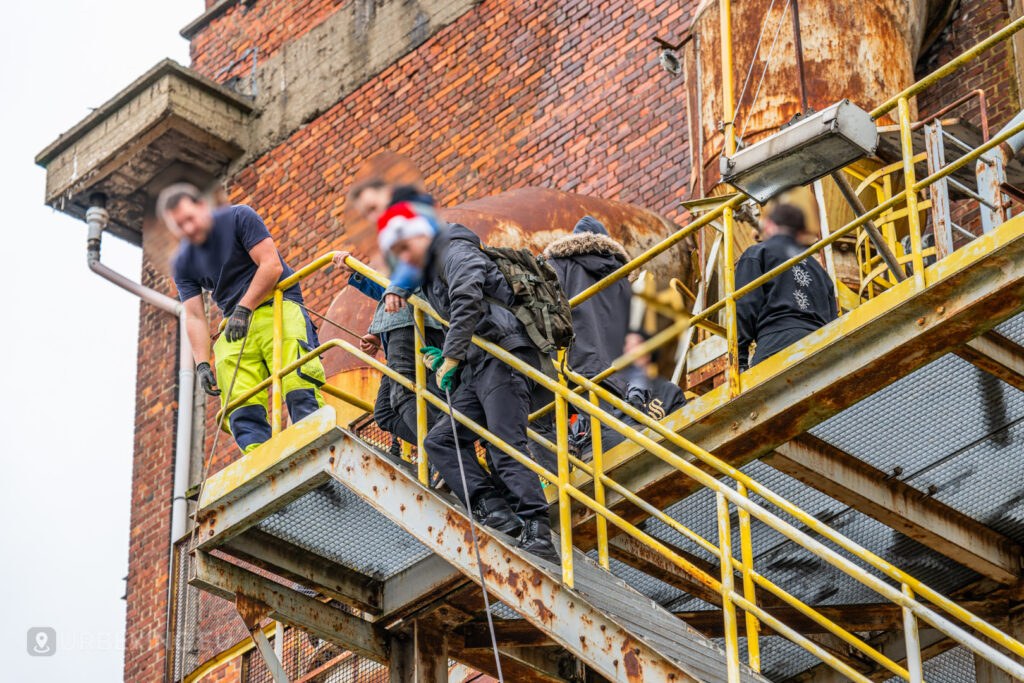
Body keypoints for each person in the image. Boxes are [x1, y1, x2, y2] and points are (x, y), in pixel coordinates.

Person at [379, 198, 559, 562]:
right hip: (480, 366)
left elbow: (469, 296)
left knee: (505, 444)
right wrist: (452, 360)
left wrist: (451, 355)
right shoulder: (429, 273)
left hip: (503, 357)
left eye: (403, 247)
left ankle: (539, 531)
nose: (402, 257)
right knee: (440, 440)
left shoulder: (453, 248)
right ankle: (493, 508)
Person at [161, 183, 326, 454]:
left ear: (203, 207)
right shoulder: (183, 262)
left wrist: (245, 308)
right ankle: (260, 463)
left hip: (278, 304)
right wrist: (202, 363)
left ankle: (314, 446)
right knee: (239, 399)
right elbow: (193, 316)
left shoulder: (239, 216)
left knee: (296, 381)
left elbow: (270, 265)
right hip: (237, 325)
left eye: (190, 219)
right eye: (180, 226)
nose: (188, 229)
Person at [331, 182, 446, 449]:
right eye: (366, 213)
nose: (373, 217)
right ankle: (441, 455)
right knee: (385, 412)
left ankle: (449, 451)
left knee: (405, 396)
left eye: (373, 208)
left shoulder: (412, 220)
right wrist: (378, 328)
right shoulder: (393, 235)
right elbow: (393, 288)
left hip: (415, 323)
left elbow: (415, 276)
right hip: (400, 324)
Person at [735, 203, 838, 371]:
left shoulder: (756, 253)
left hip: (776, 345)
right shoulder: (820, 271)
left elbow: (746, 306)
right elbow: (834, 319)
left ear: (768, 225)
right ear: (800, 233)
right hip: (822, 348)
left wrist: (740, 360)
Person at [543, 216, 631, 397]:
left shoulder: (559, 264)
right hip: (616, 374)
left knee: (570, 420)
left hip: (574, 365)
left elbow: (547, 307)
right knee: (607, 422)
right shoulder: (621, 279)